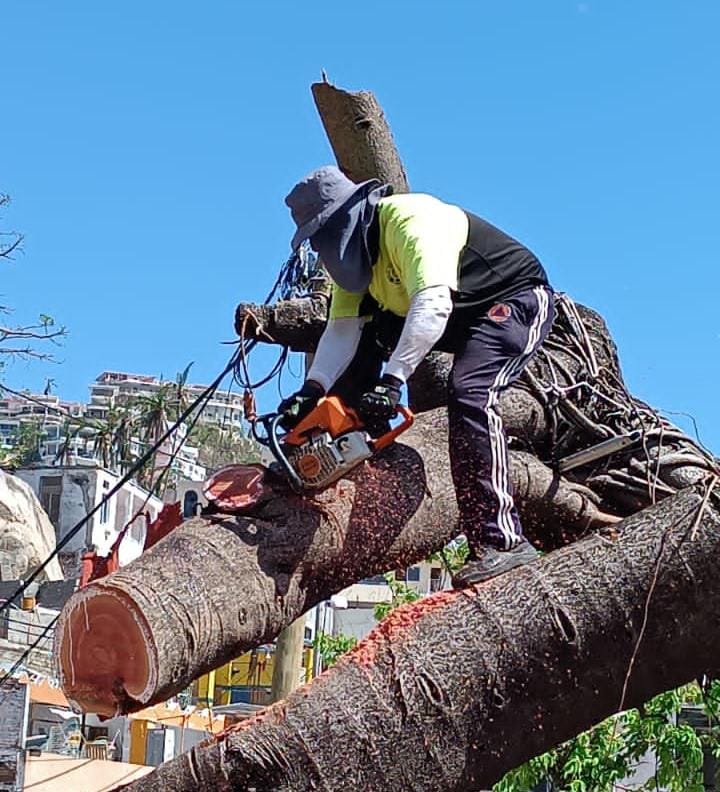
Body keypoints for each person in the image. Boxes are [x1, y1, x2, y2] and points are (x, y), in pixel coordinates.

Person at [278, 165, 555, 587]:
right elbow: (341, 331)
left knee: (470, 392)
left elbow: (433, 304)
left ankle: (502, 541)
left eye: (326, 235)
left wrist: (392, 382)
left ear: (348, 217)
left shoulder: (410, 222)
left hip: (510, 300)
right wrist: (311, 391)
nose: (324, 250)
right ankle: (346, 444)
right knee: (367, 337)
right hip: (455, 312)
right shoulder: (356, 267)